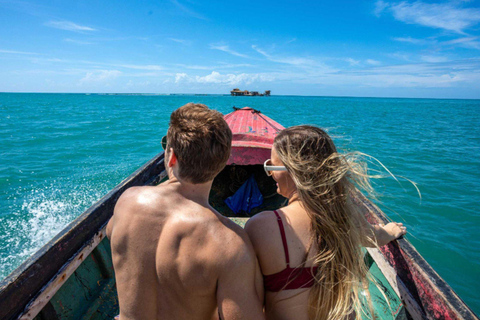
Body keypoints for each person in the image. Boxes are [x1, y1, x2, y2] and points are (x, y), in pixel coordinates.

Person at [107, 103, 264, 320]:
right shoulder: (229, 244)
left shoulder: (128, 202)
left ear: (171, 157)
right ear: (223, 163)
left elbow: (111, 232)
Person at [245, 125, 407, 320]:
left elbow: (249, 301)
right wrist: (391, 231)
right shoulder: (345, 213)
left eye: (271, 167)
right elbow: (374, 237)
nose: (270, 174)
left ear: (293, 171)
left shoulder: (262, 226)